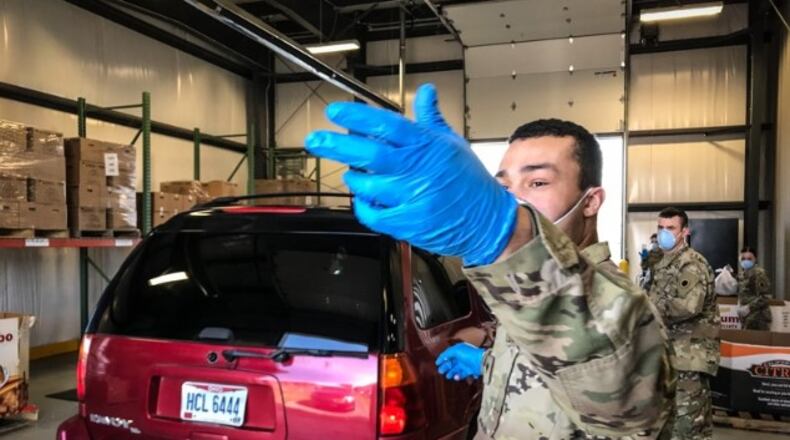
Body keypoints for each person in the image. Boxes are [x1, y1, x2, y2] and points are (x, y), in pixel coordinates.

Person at [305, 84, 675, 439]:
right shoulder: (521, 298)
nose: (515, 199)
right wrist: (487, 353)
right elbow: (544, 361)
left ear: (591, 201)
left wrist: (502, 233)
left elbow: (611, 390)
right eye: (503, 187)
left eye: (538, 183)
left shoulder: (622, 308)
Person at [648, 207, 720, 440]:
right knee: (669, 427)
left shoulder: (691, 264)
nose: (663, 233)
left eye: (670, 228)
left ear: (685, 232)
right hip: (670, 356)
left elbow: (689, 306)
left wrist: (647, 309)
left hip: (688, 357)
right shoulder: (663, 262)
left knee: (686, 429)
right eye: (660, 227)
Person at [737, 246, 772, 331]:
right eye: (743, 258)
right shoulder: (742, 275)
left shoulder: (759, 273)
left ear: (755, 259)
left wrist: (749, 307)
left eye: (749, 258)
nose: (746, 261)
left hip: (758, 317)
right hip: (747, 318)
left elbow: (765, 296)